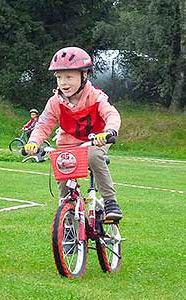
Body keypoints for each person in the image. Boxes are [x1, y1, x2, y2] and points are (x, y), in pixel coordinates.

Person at [24, 47, 123, 220]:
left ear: (84, 76)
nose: (63, 82)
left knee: (93, 156)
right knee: (62, 163)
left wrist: (109, 131)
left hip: (96, 139)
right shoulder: (55, 102)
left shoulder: (96, 97)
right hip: (68, 142)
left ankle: (110, 201)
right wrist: (34, 142)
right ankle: (67, 211)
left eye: (69, 77)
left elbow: (111, 114)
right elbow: (43, 125)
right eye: (59, 77)